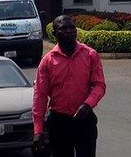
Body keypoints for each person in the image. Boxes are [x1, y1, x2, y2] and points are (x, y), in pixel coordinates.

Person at [33, 15, 107, 156]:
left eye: (72, 27)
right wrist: (38, 130)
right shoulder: (47, 61)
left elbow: (99, 85)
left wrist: (88, 104)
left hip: (84, 121)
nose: (69, 31)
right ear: (54, 34)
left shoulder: (90, 55)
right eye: (63, 28)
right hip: (59, 123)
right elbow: (40, 95)